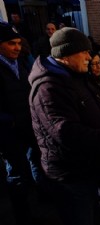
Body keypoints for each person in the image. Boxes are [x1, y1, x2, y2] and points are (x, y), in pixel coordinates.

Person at [28, 27, 100, 225]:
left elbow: (96, 111)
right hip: (70, 176)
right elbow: (67, 133)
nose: (89, 57)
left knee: (92, 212)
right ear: (67, 54)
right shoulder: (49, 88)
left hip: (87, 168)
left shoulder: (75, 77)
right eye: (85, 52)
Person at [0, 21, 43, 225]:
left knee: (37, 160)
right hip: (8, 133)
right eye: (11, 43)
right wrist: (10, 121)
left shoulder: (23, 61)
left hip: (29, 126)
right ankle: (23, 218)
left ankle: (43, 197)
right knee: (17, 175)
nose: (17, 47)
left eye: (18, 42)